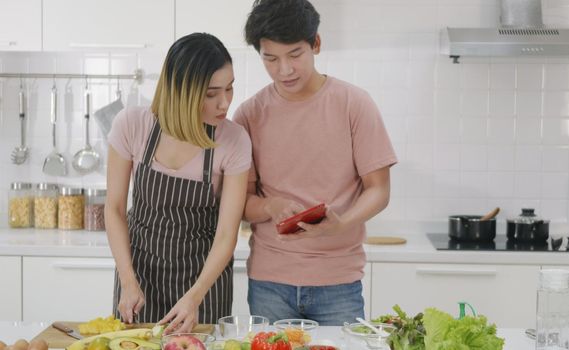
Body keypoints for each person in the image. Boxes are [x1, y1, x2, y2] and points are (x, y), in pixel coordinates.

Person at [233, 0, 397, 325]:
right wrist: (270, 206)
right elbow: (240, 204)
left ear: (316, 44)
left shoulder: (354, 104)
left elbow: (379, 190)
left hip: (338, 282)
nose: (284, 69)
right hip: (270, 281)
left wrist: (343, 223)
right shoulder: (249, 115)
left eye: (295, 54)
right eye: (271, 58)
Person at [106, 32, 251, 333]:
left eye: (229, 88)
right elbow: (115, 208)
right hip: (139, 275)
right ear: (180, 91)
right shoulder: (132, 124)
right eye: (211, 93)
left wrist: (195, 297)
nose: (224, 103)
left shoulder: (234, 140)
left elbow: (227, 234)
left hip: (204, 283)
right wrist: (127, 280)